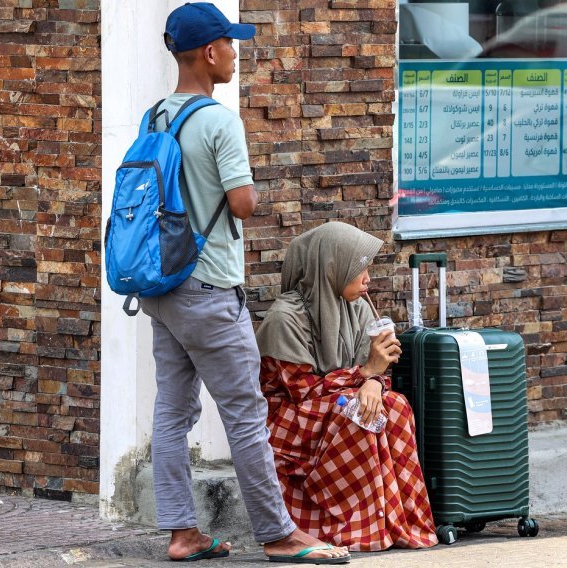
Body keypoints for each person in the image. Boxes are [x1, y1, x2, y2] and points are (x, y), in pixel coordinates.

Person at [139, 3, 350, 564]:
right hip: (209, 290)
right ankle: (279, 534)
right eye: (230, 44)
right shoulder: (218, 120)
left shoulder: (154, 117)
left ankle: (182, 533)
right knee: (246, 414)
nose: (236, 52)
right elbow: (243, 203)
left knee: (171, 411)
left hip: (163, 289)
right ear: (209, 53)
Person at [256, 222, 439, 551]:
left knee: (393, 406)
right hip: (288, 420)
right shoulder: (285, 318)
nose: (367, 278)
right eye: (360, 269)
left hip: (333, 402)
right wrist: (365, 372)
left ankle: (399, 523)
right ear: (332, 268)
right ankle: (352, 531)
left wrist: (373, 381)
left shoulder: (357, 309)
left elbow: (374, 371)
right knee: (355, 413)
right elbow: (302, 391)